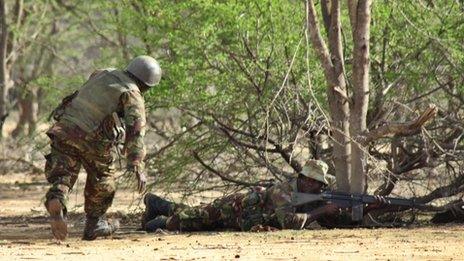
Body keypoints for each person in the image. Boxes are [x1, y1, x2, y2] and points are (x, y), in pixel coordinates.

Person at [44, 55, 162, 240]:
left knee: (63, 174)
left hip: (63, 129)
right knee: (104, 178)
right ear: (147, 85)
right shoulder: (132, 93)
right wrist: (137, 163)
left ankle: (56, 199)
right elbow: (136, 130)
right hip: (92, 139)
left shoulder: (104, 72)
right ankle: (95, 223)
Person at [141, 160, 380, 232]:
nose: (315, 186)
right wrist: (320, 211)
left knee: (188, 214)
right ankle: (155, 213)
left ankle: (156, 204)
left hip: (243, 220)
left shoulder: (310, 195)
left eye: (319, 184)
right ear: (304, 178)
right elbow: (289, 223)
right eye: (313, 182)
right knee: (181, 220)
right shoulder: (284, 191)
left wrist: (368, 209)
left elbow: (336, 222)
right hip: (231, 209)